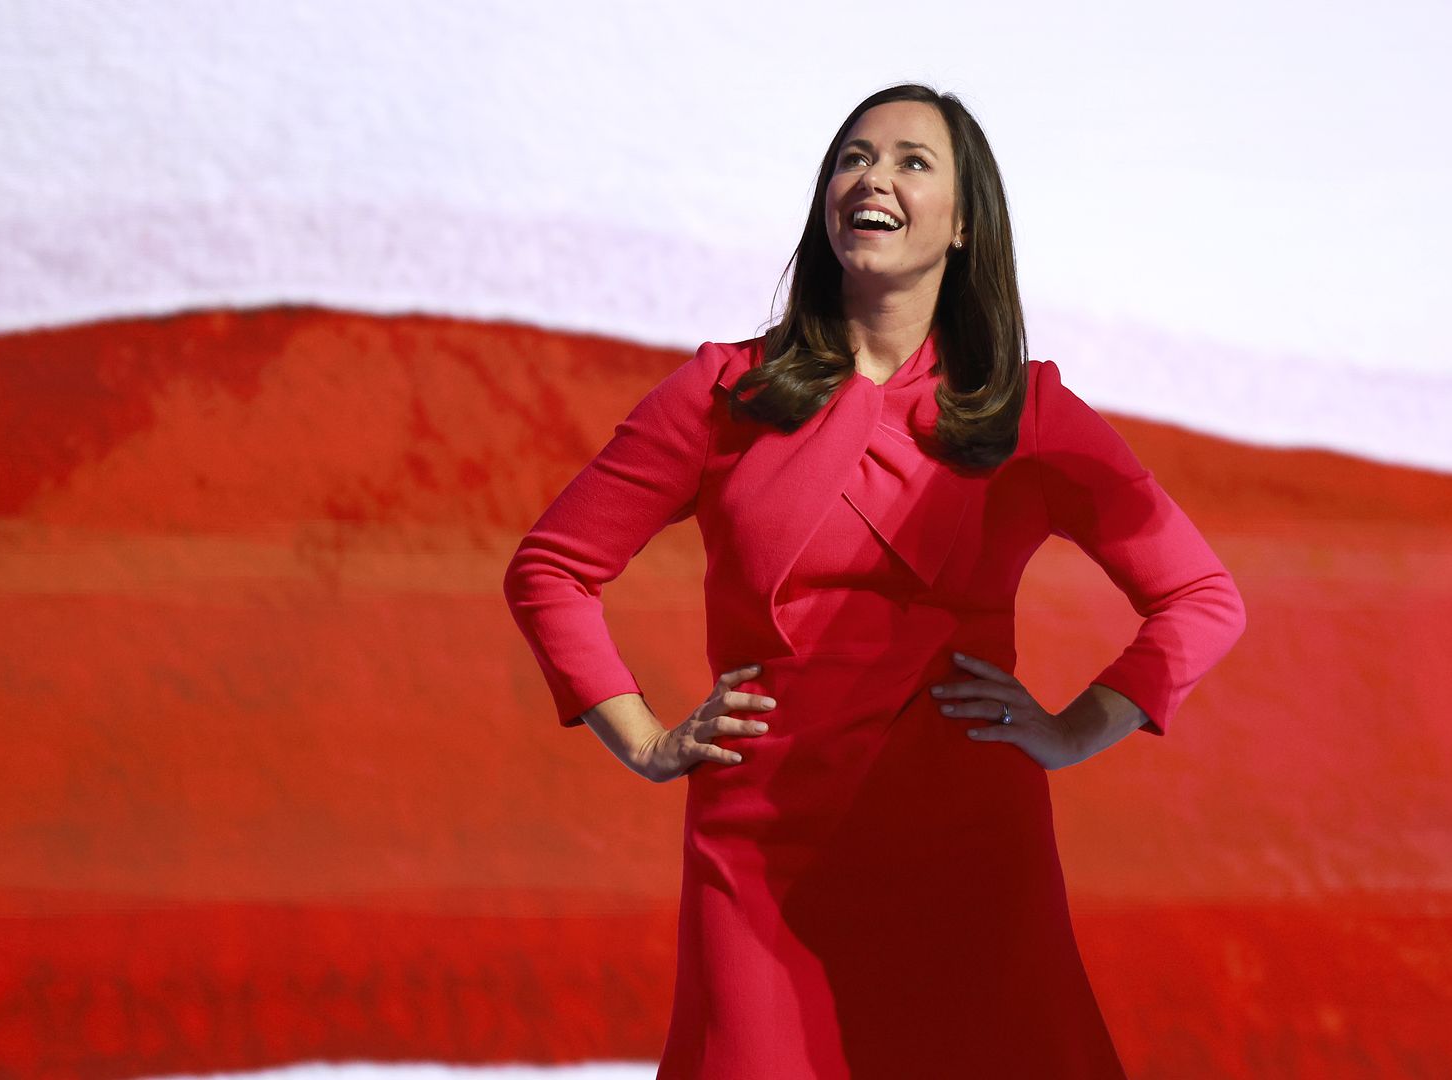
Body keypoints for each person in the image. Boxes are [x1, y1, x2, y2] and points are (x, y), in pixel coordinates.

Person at [503, 82, 1246, 1079]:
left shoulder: (1027, 415)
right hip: (761, 856)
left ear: (964, 222)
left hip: (970, 855)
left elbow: (1202, 598)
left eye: (910, 160)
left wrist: (1074, 731)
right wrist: (639, 736)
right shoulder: (727, 392)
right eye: (853, 157)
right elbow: (552, 567)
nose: (872, 177)